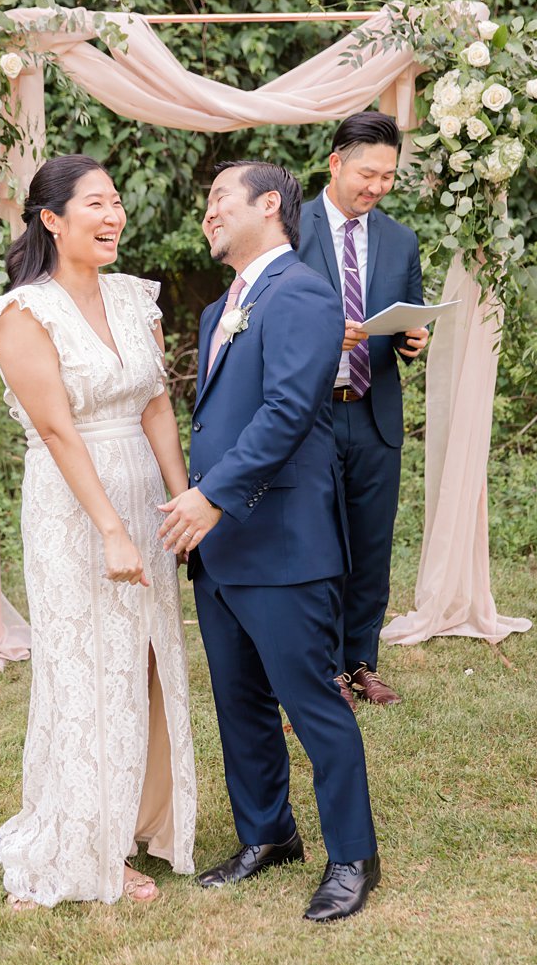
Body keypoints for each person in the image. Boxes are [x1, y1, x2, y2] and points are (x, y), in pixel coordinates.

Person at [157, 160, 379, 922]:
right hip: (220, 545)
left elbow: (287, 412)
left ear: (271, 205)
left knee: (312, 700)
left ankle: (353, 855)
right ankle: (268, 833)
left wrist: (212, 496)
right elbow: (217, 419)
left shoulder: (305, 295)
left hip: (282, 538)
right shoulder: (220, 307)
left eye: (220, 197)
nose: (209, 211)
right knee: (239, 700)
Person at [0, 154, 197, 909]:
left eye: (116, 202)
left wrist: (182, 501)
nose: (113, 217)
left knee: (141, 661)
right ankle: (83, 846)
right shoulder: (22, 314)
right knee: (83, 667)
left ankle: (132, 819)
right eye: (95, 204)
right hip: (76, 508)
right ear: (52, 218)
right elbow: (57, 430)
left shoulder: (137, 298)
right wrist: (110, 529)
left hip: (143, 493)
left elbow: (156, 405)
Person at [295, 112, 428, 708]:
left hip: (375, 412)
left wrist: (415, 340)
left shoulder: (401, 241)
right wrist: (326, 335)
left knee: (371, 547)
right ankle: (318, 670)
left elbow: (411, 315)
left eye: (388, 177)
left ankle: (360, 664)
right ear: (335, 164)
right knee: (318, 545)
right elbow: (267, 318)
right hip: (309, 415)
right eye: (367, 174)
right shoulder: (287, 229)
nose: (376, 187)